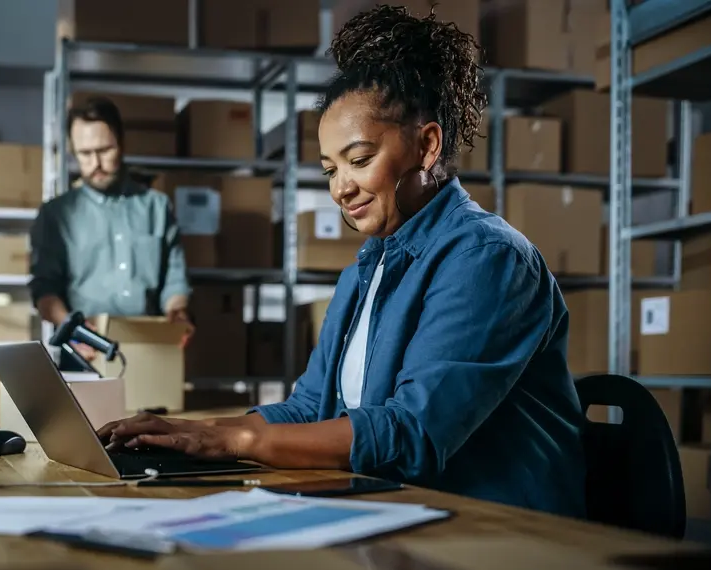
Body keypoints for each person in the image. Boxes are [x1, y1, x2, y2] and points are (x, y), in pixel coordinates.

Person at [96, 6, 587, 519]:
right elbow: (311, 409)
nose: (340, 188)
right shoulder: (367, 268)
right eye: (330, 169)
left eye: (359, 160)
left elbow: (413, 433)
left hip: (503, 528)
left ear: (427, 145)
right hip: (404, 508)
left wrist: (233, 442)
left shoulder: (488, 258)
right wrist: (194, 431)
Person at [29, 96, 193, 361]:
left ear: (122, 144)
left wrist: (178, 311)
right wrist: (71, 328)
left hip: (149, 349)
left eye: (105, 150)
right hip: (84, 350)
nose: (96, 163)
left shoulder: (157, 207)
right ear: (73, 151)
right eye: (85, 153)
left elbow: (175, 281)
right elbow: (44, 289)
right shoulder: (55, 215)